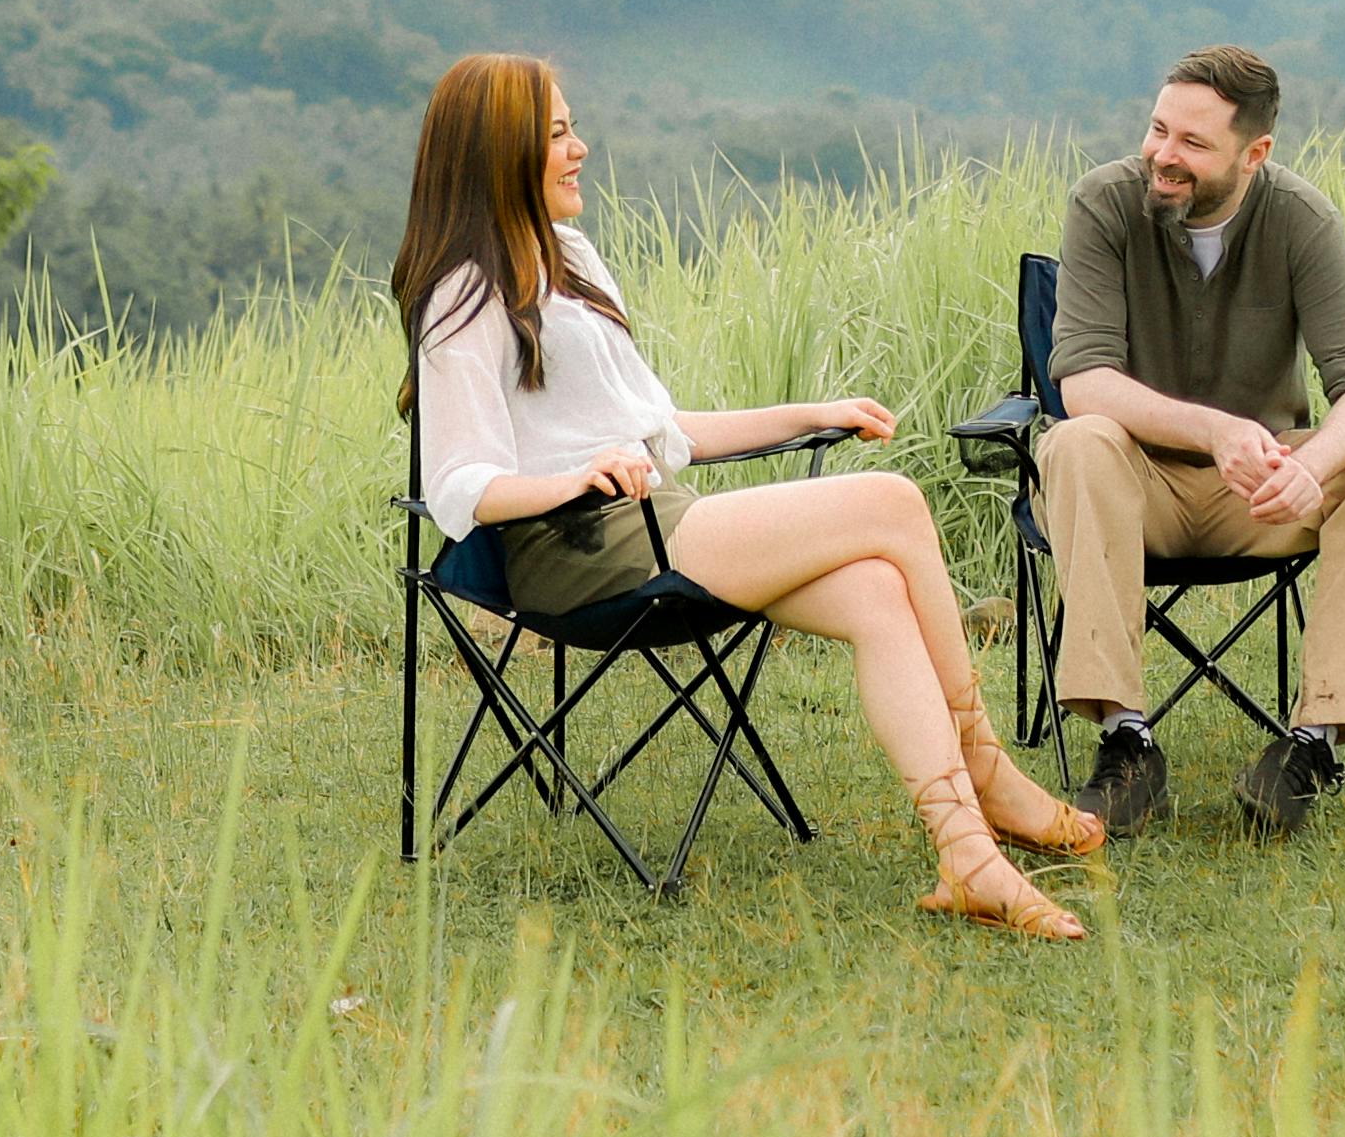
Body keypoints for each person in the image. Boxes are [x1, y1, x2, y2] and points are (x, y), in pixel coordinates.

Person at [399, 53, 1102, 941]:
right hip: (576, 552)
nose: (581, 149)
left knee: (877, 592)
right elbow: (459, 484)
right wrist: (569, 480)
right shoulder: (463, 291)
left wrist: (804, 413)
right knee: (891, 504)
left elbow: (661, 431)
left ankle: (965, 852)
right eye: (556, 134)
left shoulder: (566, 255)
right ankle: (989, 769)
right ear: (497, 151)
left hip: (655, 523)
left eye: (573, 127)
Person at [1039, 42, 1345, 836]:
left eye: (1192, 143)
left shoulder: (1300, 219)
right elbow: (1083, 383)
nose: (1162, 156)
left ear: (1255, 155)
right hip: (1132, 486)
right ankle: (1125, 742)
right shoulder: (1104, 203)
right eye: (1157, 130)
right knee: (1077, 443)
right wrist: (1216, 429)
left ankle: (1312, 745)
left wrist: (1311, 465)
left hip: (1258, 495)